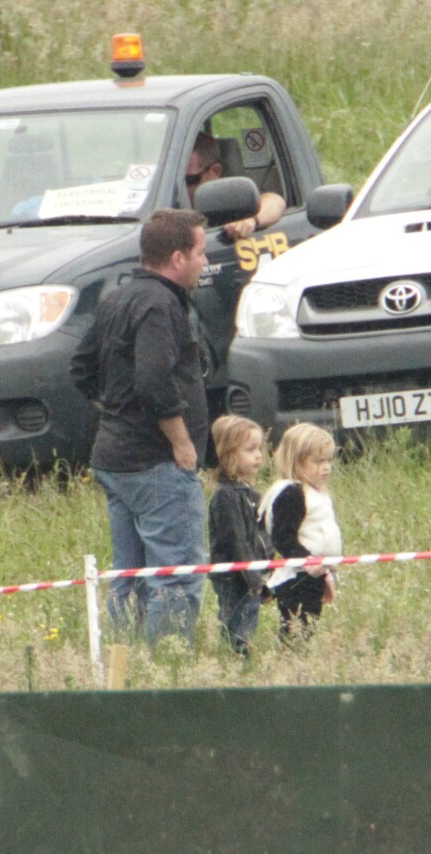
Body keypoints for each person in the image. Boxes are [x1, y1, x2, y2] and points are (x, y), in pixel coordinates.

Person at [70, 208, 210, 646]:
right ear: (176, 258)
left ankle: (122, 661)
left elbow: (81, 367)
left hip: (116, 458)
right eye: (201, 253)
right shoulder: (158, 303)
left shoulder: (118, 297)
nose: (206, 263)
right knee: (177, 574)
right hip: (155, 464)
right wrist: (181, 441)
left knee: (129, 576)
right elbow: (153, 379)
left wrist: (117, 412)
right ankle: (166, 668)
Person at [259, 423, 342, 640]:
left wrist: (326, 569)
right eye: (318, 461)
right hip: (297, 576)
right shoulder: (293, 493)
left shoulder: (317, 493)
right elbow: (283, 537)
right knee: (296, 630)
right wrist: (306, 560)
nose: (326, 467)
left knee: (309, 628)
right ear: (296, 460)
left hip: (315, 574)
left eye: (328, 460)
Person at [208, 415, 274, 657]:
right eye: (250, 450)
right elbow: (235, 540)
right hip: (232, 576)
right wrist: (254, 579)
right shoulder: (225, 496)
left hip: (250, 574)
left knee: (249, 618)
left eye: (260, 448)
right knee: (237, 623)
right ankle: (235, 659)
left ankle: (242, 657)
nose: (258, 455)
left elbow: (260, 536)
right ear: (228, 454)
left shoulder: (249, 493)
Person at [186, 131, 286, 241]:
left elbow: (275, 201)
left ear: (215, 171)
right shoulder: (166, 200)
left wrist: (251, 220)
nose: (181, 189)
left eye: (189, 180)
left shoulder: (232, 201)